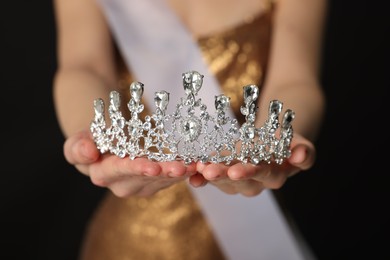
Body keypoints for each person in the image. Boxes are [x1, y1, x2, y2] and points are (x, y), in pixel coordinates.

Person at [53, 0, 327, 259]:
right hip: (128, 244)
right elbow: (84, 67)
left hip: (252, 228)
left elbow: (293, 79)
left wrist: (278, 133)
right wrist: (88, 133)